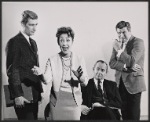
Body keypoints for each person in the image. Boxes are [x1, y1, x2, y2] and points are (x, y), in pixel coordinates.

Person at [33, 27, 89, 120]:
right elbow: (46, 80)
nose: (65, 43)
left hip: (74, 103)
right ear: (58, 42)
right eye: (61, 40)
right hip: (57, 103)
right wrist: (40, 74)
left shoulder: (79, 59)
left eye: (68, 40)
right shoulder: (52, 60)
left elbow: (85, 82)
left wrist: (80, 77)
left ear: (72, 41)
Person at [5, 10, 43, 120]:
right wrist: (17, 95)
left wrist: (39, 93)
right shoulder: (14, 42)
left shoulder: (33, 43)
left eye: (36, 24)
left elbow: (35, 68)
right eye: (31, 25)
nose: (34, 28)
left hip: (34, 93)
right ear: (23, 24)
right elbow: (12, 70)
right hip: (22, 94)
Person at [109, 21, 146, 120]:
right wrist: (125, 66)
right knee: (124, 115)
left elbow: (132, 61)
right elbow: (112, 63)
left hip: (134, 84)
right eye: (118, 33)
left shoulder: (138, 42)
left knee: (133, 116)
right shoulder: (118, 43)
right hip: (120, 84)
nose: (121, 35)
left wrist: (119, 51)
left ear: (129, 30)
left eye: (123, 32)